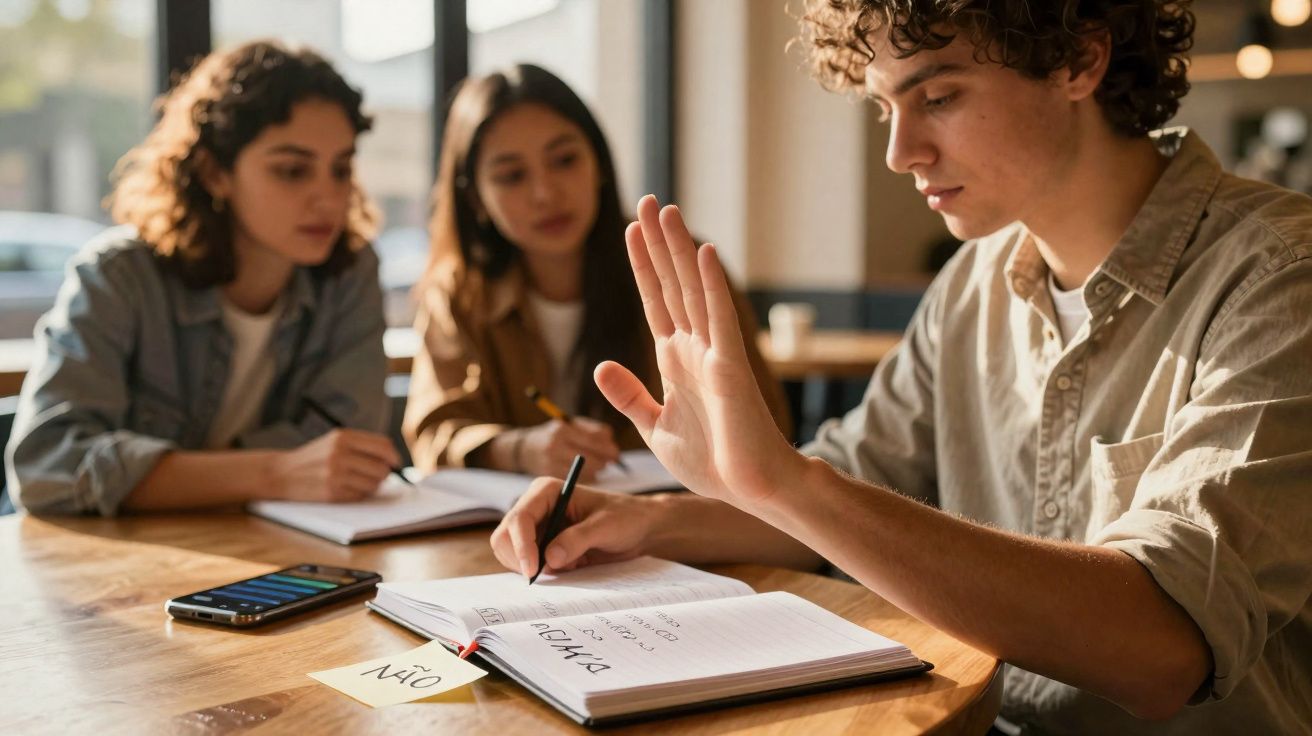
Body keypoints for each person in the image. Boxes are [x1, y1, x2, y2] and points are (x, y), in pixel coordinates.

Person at [490, 2, 1312, 732]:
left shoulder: (1279, 275)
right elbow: (859, 476)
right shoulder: (974, 283)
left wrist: (783, 481)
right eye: (885, 106)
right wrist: (645, 520)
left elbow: (1161, 647)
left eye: (939, 96)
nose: (898, 151)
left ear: (1079, 60)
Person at [5, 40, 400, 516]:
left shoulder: (349, 274)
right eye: (292, 170)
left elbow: (346, 450)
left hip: (261, 550)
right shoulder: (119, 276)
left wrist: (165, 475)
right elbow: (47, 465)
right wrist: (274, 472)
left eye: (341, 169)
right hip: (104, 563)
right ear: (214, 173)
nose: (330, 199)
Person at [403, 64, 790, 483]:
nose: (545, 193)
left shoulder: (675, 267)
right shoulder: (459, 294)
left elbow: (767, 430)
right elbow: (434, 433)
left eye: (565, 160)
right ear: (476, 198)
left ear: (599, 165)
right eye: (512, 176)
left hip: (678, 525)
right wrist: (521, 449)